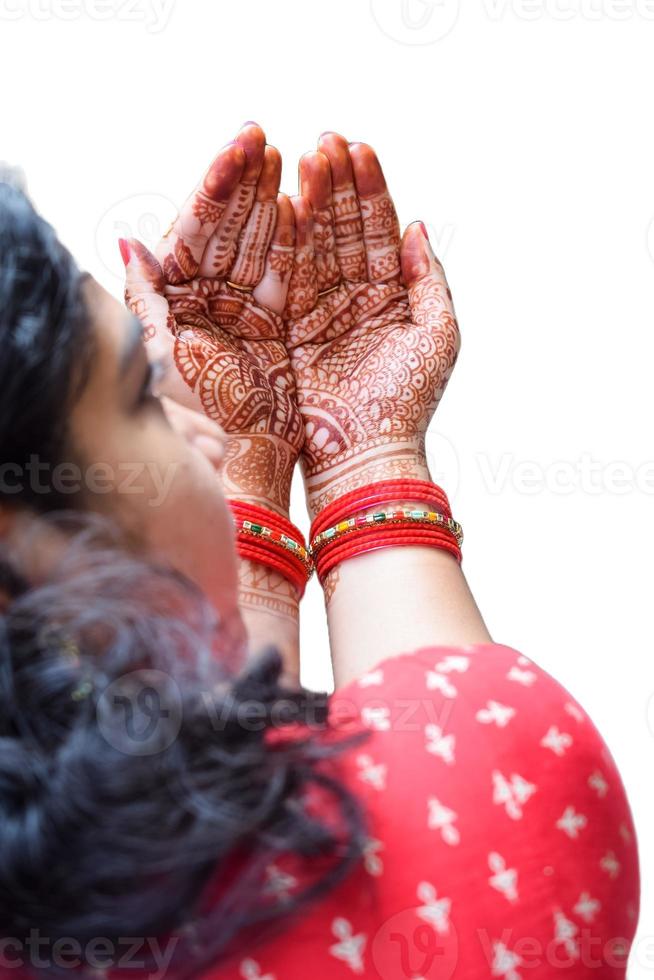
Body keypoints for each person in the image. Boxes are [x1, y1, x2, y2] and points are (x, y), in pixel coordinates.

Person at [0, 124, 639, 980]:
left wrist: (237, 493)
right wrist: (370, 453)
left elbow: (239, 785)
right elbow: (439, 767)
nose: (200, 426)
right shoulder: (499, 788)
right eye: (144, 394)